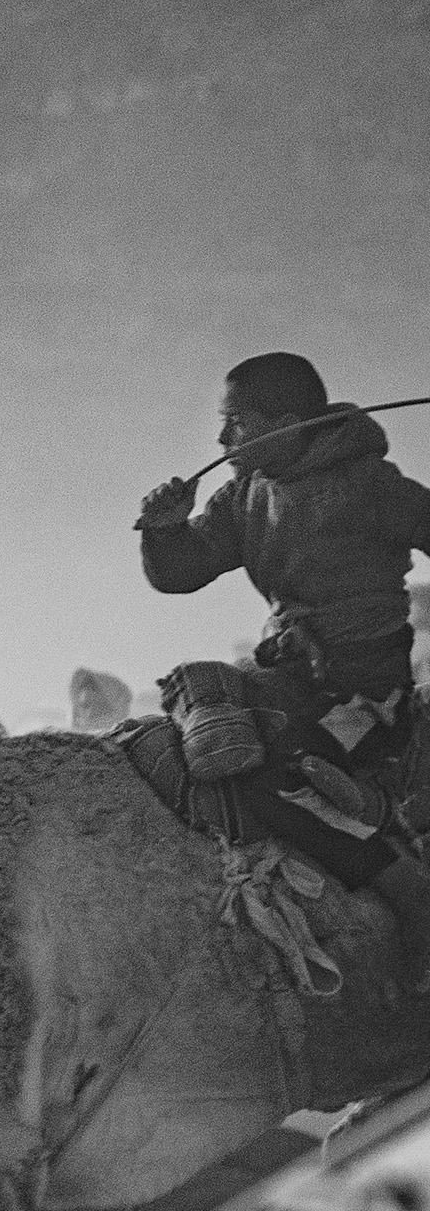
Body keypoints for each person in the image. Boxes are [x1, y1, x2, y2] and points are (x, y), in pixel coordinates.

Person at [138, 350, 430, 982]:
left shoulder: (370, 485)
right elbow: (184, 571)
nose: (223, 438)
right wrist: (164, 531)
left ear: (288, 424)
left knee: (264, 765)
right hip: (289, 678)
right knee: (201, 703)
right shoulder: (244, 495)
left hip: (365, 693)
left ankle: (404, 886)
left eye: (237, 422)